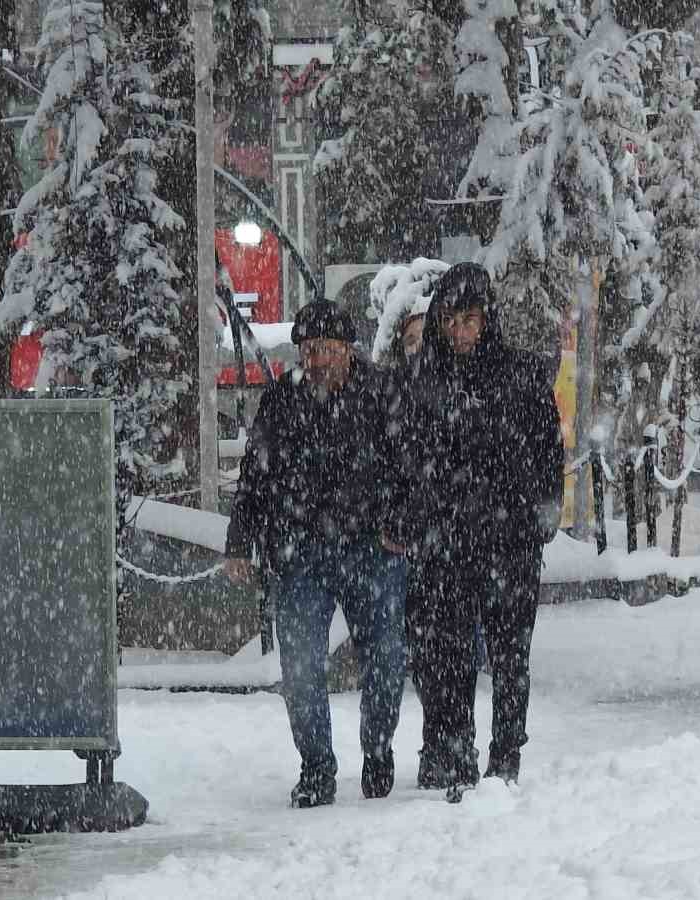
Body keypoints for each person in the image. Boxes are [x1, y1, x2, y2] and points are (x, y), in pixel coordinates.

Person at [224, 301, 411, 808]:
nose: (320, 359)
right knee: (301, 666)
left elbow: (411, 468)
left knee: (387, 658)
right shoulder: (282, 400)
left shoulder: (383, 393)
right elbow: (255, 475)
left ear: (348, 350)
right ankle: (316, 766)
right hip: (299, 551)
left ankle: (378, 748)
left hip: (372, 548)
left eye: (329, 349)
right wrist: (241, 542)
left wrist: (401, 525)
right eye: (311, 351)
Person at [400, 262, 564, 800]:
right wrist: (412, 517)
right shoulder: (423, 382)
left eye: (470, 320)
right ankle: (454, 747)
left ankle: (506, 752)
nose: (461, 332)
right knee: (447, 654)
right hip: (446, 544)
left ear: (486, 319)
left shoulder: (520, 376)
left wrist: (543, 511)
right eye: (451, 321)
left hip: (509, 540)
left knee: (510, 653)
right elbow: (407, 458)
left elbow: (547, 451)